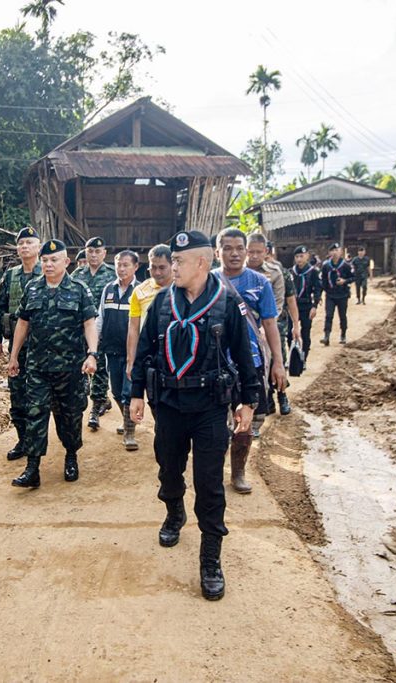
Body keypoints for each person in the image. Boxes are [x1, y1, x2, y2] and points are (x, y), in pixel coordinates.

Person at [130, 229, 260, 601]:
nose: (172, 267)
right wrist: (135, 393)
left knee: (209, 483)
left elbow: (244, 354)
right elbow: (145, 351)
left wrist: (248, 401)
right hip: (169, 404)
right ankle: (174, 513)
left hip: (210, 407)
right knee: (168, 469)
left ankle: (210, 558)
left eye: (179, 261)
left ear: (201, 263)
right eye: (172, 261)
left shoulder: (227, 301)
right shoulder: (161, 302)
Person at [7, 239, 99, 488]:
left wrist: (92, 354)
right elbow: (23, 323)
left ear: (66, 262)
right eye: (45, 260)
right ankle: (32, 468)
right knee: (35, 414)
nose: (48, 264)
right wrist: (14, 356)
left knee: (70, 417)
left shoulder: (79, 289)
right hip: (37, 367)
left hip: (70, 368)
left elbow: (89, 323)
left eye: (54, 260)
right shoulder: (33, 288)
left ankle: (71, 455)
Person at [215, 227, 288, 494]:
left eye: (239, 248)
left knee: (246, 419)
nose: (234, 254)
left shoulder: (260, 283)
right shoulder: (208, 281)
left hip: (250, 362)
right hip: (216, 363)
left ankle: (238, 472)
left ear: (246, 251)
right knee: (214, 421)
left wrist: (278, 362)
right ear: (217, 252)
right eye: (227, 248)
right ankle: (214, 471)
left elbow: (269, 324)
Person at [0, 227, 42, 462]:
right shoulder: (11, 276)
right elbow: (0, 307)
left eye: (29, 242)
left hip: (43, 347)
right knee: (17, 396)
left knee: (41, 398)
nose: (24, 246)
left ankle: (39, 442)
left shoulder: (48, 272)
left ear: (38, 246)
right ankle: (23, 441)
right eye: (21, 243)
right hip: (17, 347)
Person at [72, 236, 116, 431]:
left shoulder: (112, 274)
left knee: (99, 366)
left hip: (102, 329)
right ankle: (95, 399)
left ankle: (96, 406)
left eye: (98, 251)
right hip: (80, 329)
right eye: (90, 251)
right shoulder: (77, 274)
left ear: (104, 253)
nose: (94, 255)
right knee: (80, 366)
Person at [97, 250, 139, 451]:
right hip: (111, 349)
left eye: (125, 265)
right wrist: (94, 344)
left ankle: (130, 434)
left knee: (128, 392)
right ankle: (126, 418)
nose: (121, 269)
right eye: (118, 265)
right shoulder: (108, 289)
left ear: (135, 267)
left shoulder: (140, 290)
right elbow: (100, 317)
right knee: (115, 391)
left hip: (132, 352)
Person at [247, 233, 291, 416]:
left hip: (271, 323)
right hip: (247, 327)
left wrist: (265, 325)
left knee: (276, 359)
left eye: (258, 252)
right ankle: (267, 399)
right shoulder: (236, 273)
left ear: (266, 252)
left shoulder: (274, 272)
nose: (254, 256)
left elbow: (279, 304)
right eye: (251, 252)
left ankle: (282, 394)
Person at [289, 246, 322, 363]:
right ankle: (293, 357)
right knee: (289, 333)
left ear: (307, 256)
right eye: (297, 257)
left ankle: (304, 358)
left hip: (306, 306)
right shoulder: (291, 272)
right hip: (292, 306)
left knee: (305, 333)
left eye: (301, 256)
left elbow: (317, 289)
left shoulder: (313, 272)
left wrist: (314, 306)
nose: (299, 259)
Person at [320, 242, 355, 346]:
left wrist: (345, 281)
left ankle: (343, 335)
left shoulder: (346, 265)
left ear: (341, 252)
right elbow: (323, 280)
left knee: (342, 316)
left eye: (337, 250)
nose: (335, 252)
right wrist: (322, 292)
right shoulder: (326, 266)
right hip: (330, 295)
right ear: (329, 253)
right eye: (332, 250)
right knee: (328, 315)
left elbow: (353, 277)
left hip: (342, 295)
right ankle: (326, 336)